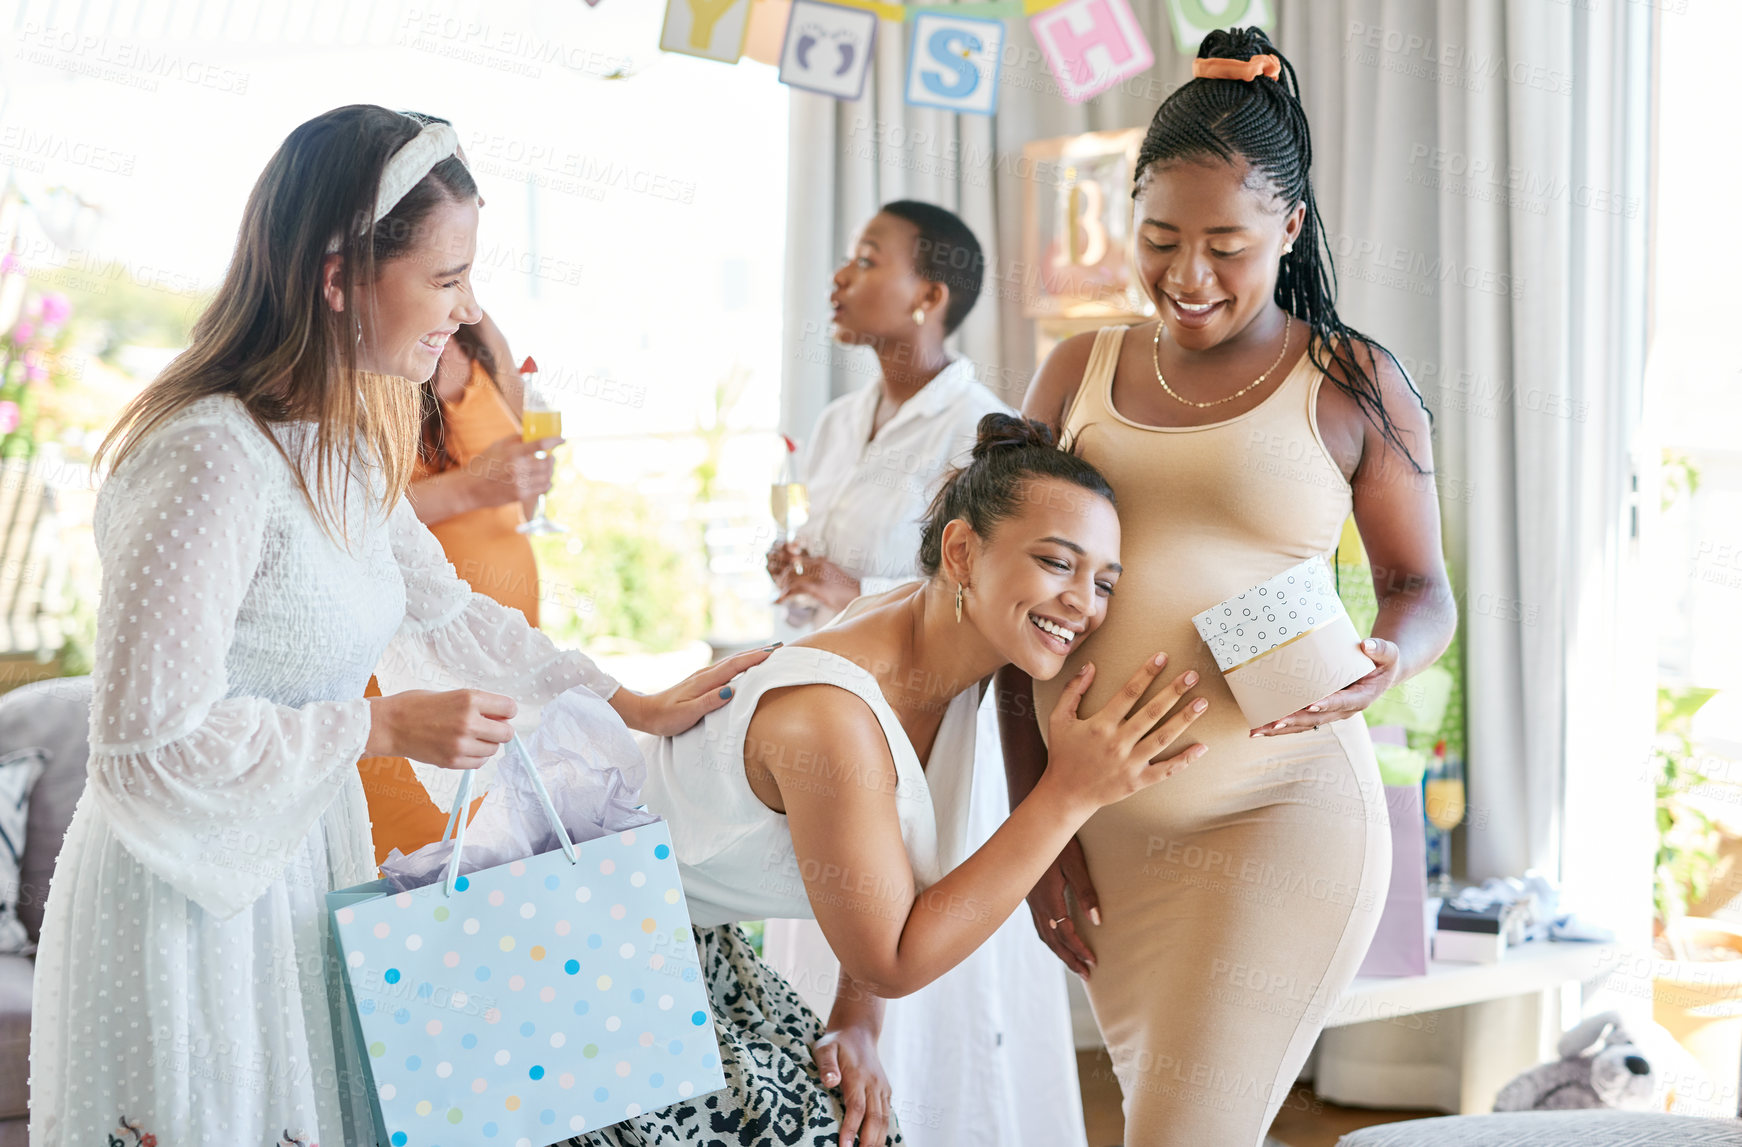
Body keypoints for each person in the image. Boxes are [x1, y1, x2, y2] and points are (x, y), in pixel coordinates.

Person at [29, 106, 771, 1145]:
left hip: (295, 864)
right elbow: (145, 742)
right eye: (445, 277)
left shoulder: (335, 447)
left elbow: (449, 612)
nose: (465, 310)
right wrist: (377, 730)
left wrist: (626, 702)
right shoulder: (207, 458)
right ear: (337, 277)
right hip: (188, 900)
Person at [999, 28, 1459, 1147]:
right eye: (1159, 239)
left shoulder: (1350, 381)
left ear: (1288, 229)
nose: (1187, 275)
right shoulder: (1075, 372)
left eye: (1225, 244)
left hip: (1279, 811)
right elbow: (1003, 621)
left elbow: (1419, 587)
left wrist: (1387, 656)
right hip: (1104, 827)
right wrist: (1037, 823)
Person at [578, 413, 1208, 1147]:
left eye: (1104, 581)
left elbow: (879, 877)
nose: (1085, 604)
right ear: (964, 551)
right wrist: (1070, 792)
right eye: (1057, 563)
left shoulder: (937, 641)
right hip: (592, 951)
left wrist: (857, 1016)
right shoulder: (831, 717)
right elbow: (895, 956)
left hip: (694, 943)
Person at [764, 202, 1085, 1147]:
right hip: (839, 715)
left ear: (930, 297)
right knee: (833, 928)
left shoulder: (981, 432)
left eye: (867, 260)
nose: (840, 275)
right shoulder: (836, 420)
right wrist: (799, 574)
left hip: (940, 731)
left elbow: (987, 589)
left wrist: (849, 583)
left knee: (926, 974)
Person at [360, 314, 561, 863]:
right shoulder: (371, 361)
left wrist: (528, 482)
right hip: (416, 650)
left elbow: (522, 487)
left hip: (498, 637)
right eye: (452, 277)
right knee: (421, 847)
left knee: (498, 834)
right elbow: (358, 512)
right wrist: (474, 486)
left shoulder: (482, 339)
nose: (468, 301)